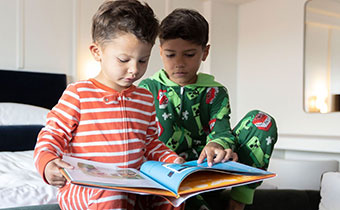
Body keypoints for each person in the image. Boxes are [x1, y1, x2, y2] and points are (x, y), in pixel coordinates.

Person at [33, 1, 186, 209]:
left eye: (143, 60)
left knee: (172, 196)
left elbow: (149, 142)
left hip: (132, 186)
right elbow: (52, 135)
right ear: (97, 52)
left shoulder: (144, 99)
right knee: (112, 194)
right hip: (87, 188)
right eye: (123, 60)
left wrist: (170, 159)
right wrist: (48, 162)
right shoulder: (78, 94)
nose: (134, 70)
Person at [138, 8, 278, 210]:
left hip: (207, 170)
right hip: (166, 174)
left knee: (261, 121)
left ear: (205, 52)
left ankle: (237, 203)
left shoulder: (216, 92)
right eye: (170, 54)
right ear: (160, 52)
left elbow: (222, 132)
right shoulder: (147, 89)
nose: (178, 63)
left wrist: (217, 145)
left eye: (189, 54)